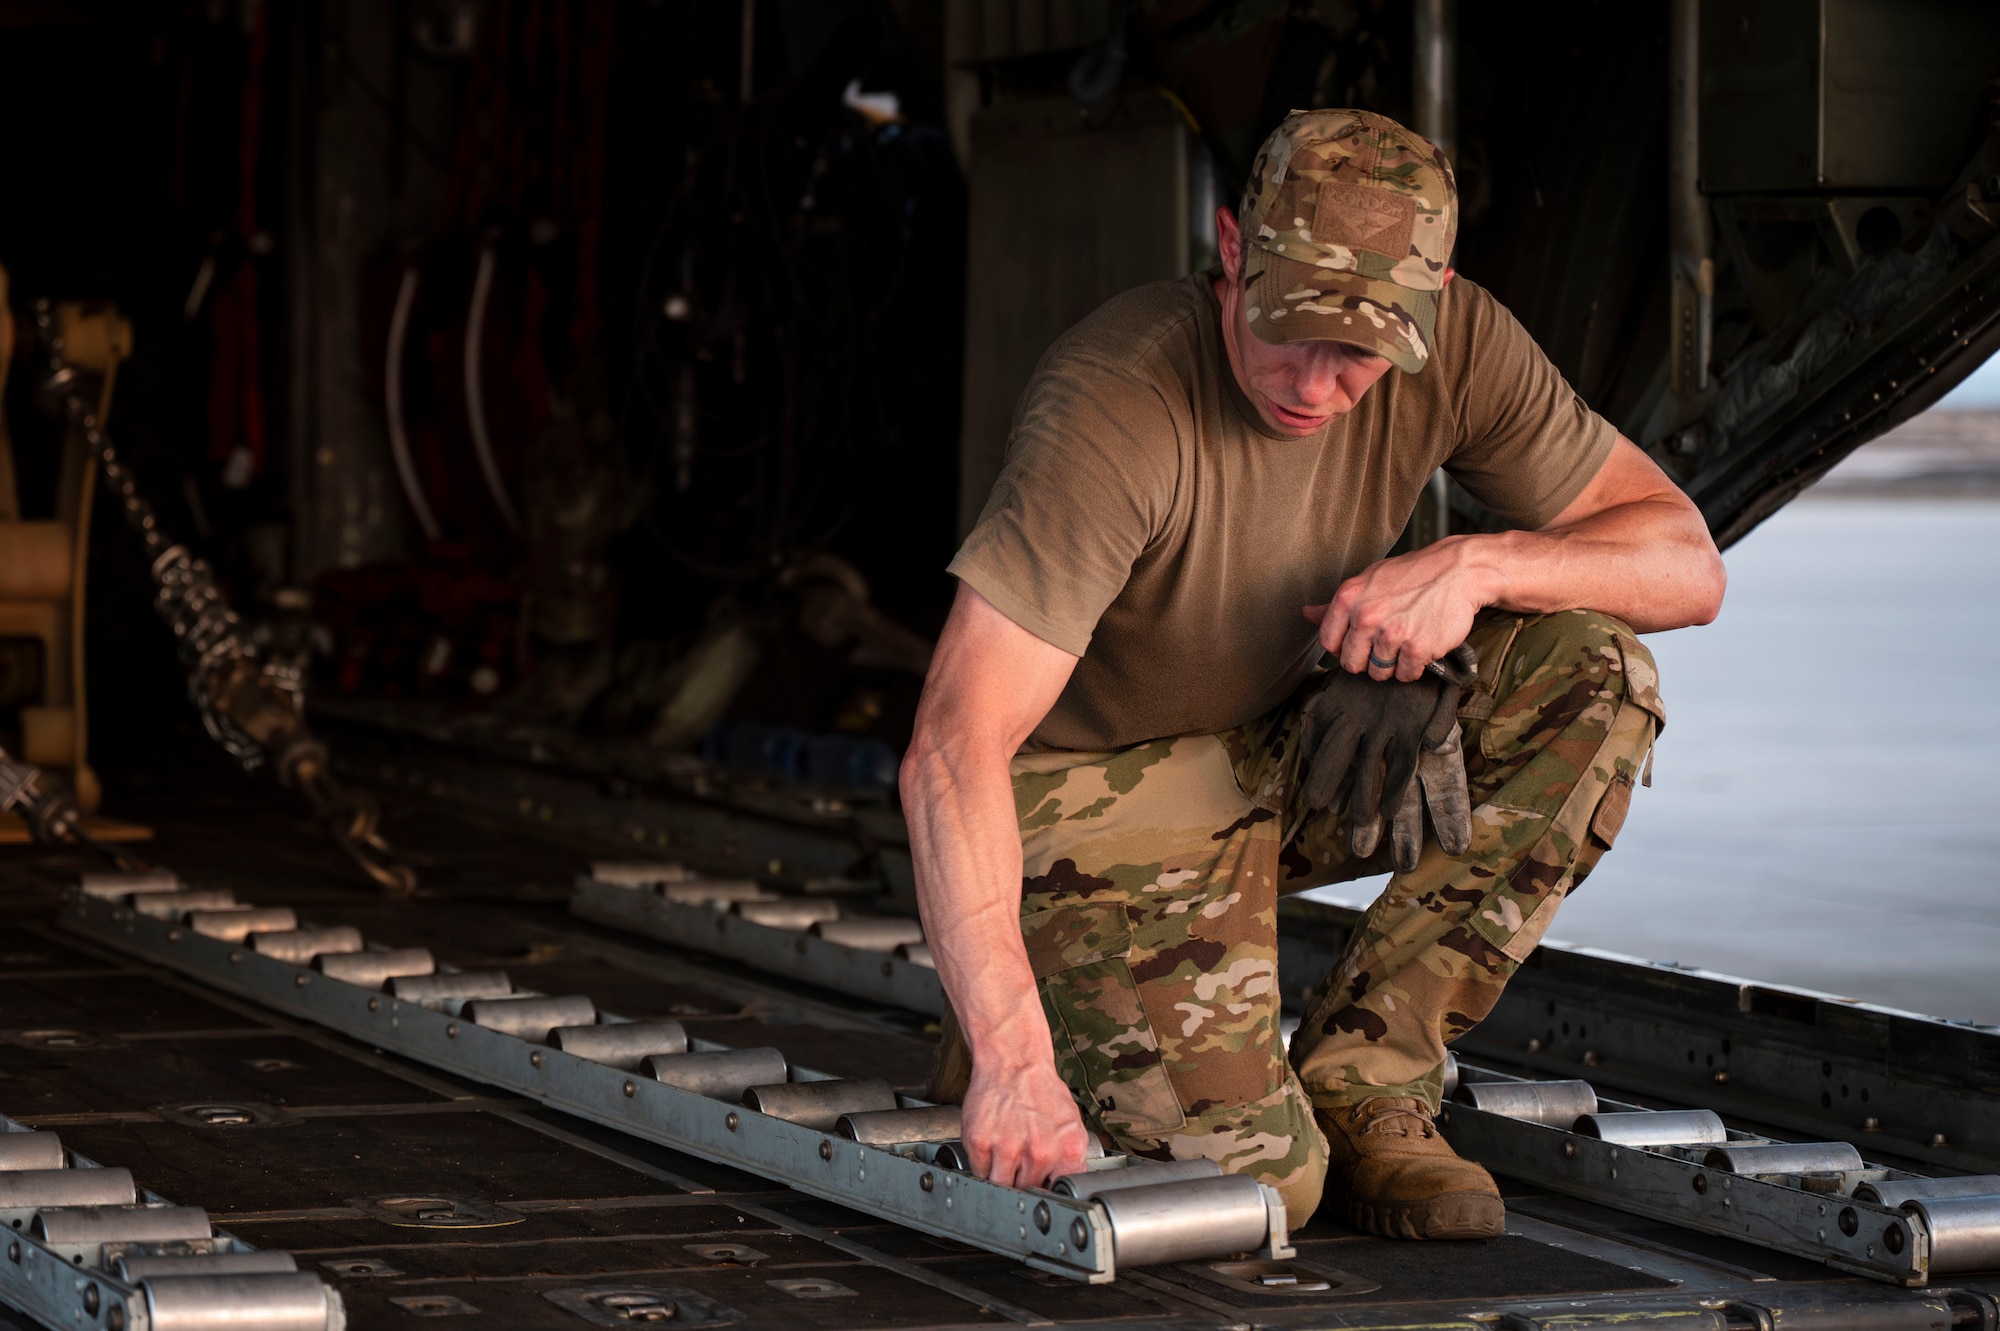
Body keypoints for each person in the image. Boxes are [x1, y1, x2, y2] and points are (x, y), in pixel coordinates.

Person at [900, 109, 1725, 1240]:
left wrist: (1472, 564)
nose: (1319, 384)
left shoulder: (1461, 347)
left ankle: (1365, 1074)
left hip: (1275, 749)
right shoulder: (1116, 401)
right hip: (1089, 800)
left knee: (1591, 673)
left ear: (1430, 300)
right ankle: (1051, 990)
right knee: (1260, 1188)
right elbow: (954, 743)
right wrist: (1010, 1055)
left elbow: (1684, 563)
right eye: (1288, 332)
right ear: (1231, 251)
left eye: (1363, 352)